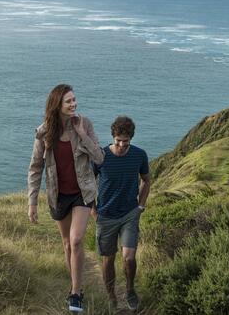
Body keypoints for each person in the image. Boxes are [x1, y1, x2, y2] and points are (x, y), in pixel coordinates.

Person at [27, 84, 104, 313]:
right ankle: (74, 284)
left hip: (83, 192)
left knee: (77, 240)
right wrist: (32, 202)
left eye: (74, 100)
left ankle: (76, 293)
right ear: (57, 105)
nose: (74, 104)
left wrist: (81, 133)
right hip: (58, 195)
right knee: (67, 243)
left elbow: (99, 158)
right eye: (68, 101)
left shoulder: (85, 124)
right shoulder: (43, 133)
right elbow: (35, 168)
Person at [93, 116, 151, 311]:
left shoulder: (139, 155)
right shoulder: (100, 156)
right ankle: (111, 296)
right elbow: (88, 184)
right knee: (108, 259)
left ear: (131, 139)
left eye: (125, 141)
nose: (121, 145)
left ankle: (129, 289)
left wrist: (140, 206)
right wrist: (93, 209)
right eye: (118, 140)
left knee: (129, 257)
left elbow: (146, 180)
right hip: (105, 215)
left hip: (129, 214)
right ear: (113, 137)